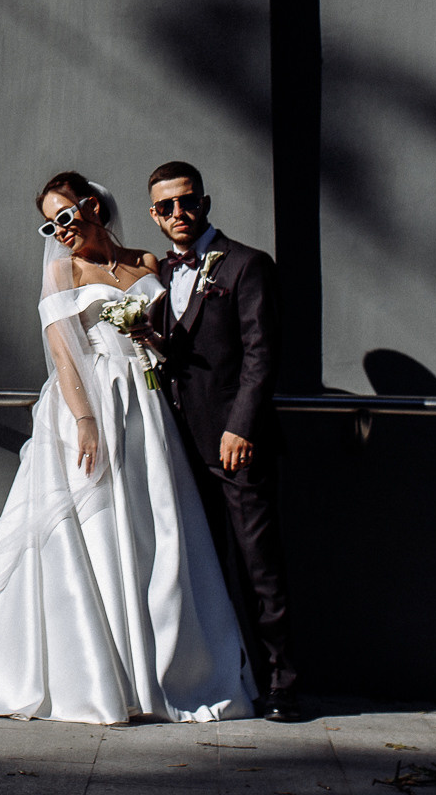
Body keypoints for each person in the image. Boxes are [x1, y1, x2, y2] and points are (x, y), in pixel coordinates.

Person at [0, 173, 257, 724]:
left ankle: (164, 672)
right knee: (95, 531)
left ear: (92, 206)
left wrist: (150, 341)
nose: (59, 232)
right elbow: (63, 354)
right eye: (49, 225)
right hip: (90, 405)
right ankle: (100, 676)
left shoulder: (147, 263)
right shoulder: (61, 271)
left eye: (65, 217)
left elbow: (172, 343)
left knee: (155, 530)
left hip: (146, 407)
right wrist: (85, 421)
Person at [136, 159, 304, 722]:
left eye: (187, 202)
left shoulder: (248, 265)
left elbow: (262, 355)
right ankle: (226, 678)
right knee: (201, 571)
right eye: (166, 207)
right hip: (177, 448)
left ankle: (284, 683)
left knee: (261, 566)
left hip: (235, 444)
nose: (178, 214)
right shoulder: (157, 272)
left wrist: (241, 426)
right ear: (153, 214)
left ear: (204, 202)